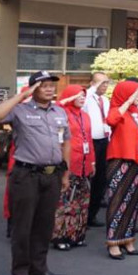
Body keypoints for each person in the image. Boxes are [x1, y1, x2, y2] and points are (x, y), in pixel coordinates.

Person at [0, 71, 70, 275]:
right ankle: (21, 272)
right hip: (26, 176)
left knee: (44, 226)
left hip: (51, 175)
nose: (50, 89)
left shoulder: (60, 112)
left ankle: (39, 269)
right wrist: (21, 96)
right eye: (43, 86)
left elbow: (66, 143)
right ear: (33, 89)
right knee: (23, 226)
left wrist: (65, 173)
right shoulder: (20, 111)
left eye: (52, 85)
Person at [104, 79, 138, 260]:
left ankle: (128, 239)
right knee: (117, 201)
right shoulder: (118, 111)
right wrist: (128, 101)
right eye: (136, 93)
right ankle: (114, 241)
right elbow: (111, 120)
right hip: (120, 161)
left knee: (133, 202)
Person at [51, 86, 94, 251]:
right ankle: (60, 236)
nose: (82, 97)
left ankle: (77, 235)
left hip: (85, 163)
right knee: (65, 202)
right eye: (78, 95)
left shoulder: (85, 116)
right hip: (69, 163)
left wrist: (92, 162)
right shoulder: (62, 114)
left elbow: (89, 140)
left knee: (82, 202)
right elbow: (54, 108)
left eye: (84, 95)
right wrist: (66, 100)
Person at [83, 72, 111, 228]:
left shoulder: (105, 100)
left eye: (107, 83)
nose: (105, 86)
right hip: (91, 142)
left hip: (104, 140)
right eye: (101, 83)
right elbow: (86, 96)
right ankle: (83, 215)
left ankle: (92, 214)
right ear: (92, 83)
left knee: (101, 178)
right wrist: (94, 87)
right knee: (89, 178)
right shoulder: (87, 98)